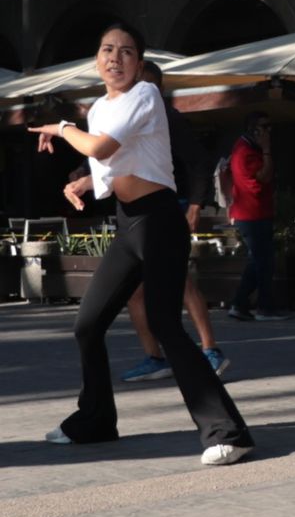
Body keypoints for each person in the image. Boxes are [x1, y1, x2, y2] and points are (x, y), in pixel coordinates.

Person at [30, 22, 253, 465]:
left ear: (139, 63)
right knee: (88, 324)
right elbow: (110, 172)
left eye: (126, 52)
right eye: (107, 50)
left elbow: (99, 149)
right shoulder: (98, 108)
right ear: (97, 59)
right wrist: (84, 189)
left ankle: (228, 431)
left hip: (160, 219)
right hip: (128, 224)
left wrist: (60, 127)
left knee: (165, 324)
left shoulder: (146, 96)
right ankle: (95, 422)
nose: (115, 58)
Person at [65, 62, 230, 381]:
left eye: (145, 85)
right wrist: (84, 177)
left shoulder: (167, 117)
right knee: (136, 292)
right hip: (131, 215)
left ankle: (210, 349)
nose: (137, 92)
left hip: (167, 207)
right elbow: (112, 156)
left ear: (158, 90)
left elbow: (198, 162)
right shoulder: (121, 113)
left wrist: (195, 206)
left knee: (180, 285)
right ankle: (154, 356)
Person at [226, 112, 286, 321]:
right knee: (264, 262)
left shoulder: (246, 148)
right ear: (255, 130)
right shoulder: (246, 152)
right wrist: (267, 150)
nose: (270, 131)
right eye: (266, 127)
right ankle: (263, 307)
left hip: (254, 212)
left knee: (258, 261)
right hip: (253, 214)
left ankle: (240, 304)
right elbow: (264, 176)